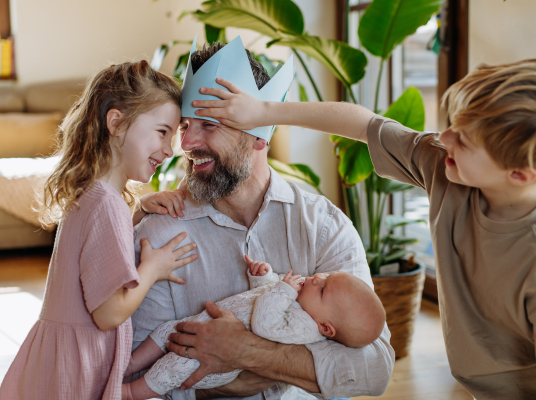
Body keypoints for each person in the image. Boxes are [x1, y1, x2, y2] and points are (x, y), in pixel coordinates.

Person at [194, 59, 536, 399]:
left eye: (464, 141)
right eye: (453, 125)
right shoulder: (443, 166)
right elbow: (364, 124)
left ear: (519, 175)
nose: (444, 137)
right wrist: (264, 112)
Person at [127, 41, 394, 400]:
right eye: (185, 125)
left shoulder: (324, 226)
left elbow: (374, 368)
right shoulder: (159, 233)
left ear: (259, 135)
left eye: (208, 124)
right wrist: (285, 370)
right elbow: (138, 371)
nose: (187, 142)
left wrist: (246, 354)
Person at [0, 61, 198, 400]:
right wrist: (152, 269)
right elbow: (109, 313)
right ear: (116, 123)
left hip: (59, 359)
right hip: (77, 369)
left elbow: (95, 258)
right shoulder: (107, 205)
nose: (168, 150)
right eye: (162, 132)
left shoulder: (94, 194)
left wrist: (136, 211)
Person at [123, 256, 386, 399]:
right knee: (167, 331)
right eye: (326, 277)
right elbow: (262, 298)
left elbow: (264, 324)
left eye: (324, 287)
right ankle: (130, 365)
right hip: (202, 324)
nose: (317, 277)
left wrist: (283, 289)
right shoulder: (302, 301)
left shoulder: (305, 327)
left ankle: (131, 393)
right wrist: (264, 278)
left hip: (213, 363)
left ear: (326, 328)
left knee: (175, 366)